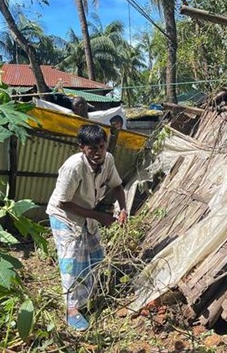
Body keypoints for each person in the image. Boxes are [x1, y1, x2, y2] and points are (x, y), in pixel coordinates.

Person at [46, 124, 128, 331]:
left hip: (87, 215)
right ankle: (71, 310)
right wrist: (100, 216)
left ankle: (88, 298)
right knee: (71, 262)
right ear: (81, 147)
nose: (98, 152)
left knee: (95, 256)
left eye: (101, 146)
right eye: (92, 148)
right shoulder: (73, 167)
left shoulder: (108, 159)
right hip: (64, 217)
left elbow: (117, 186)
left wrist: (124, 209)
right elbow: (63, 202)